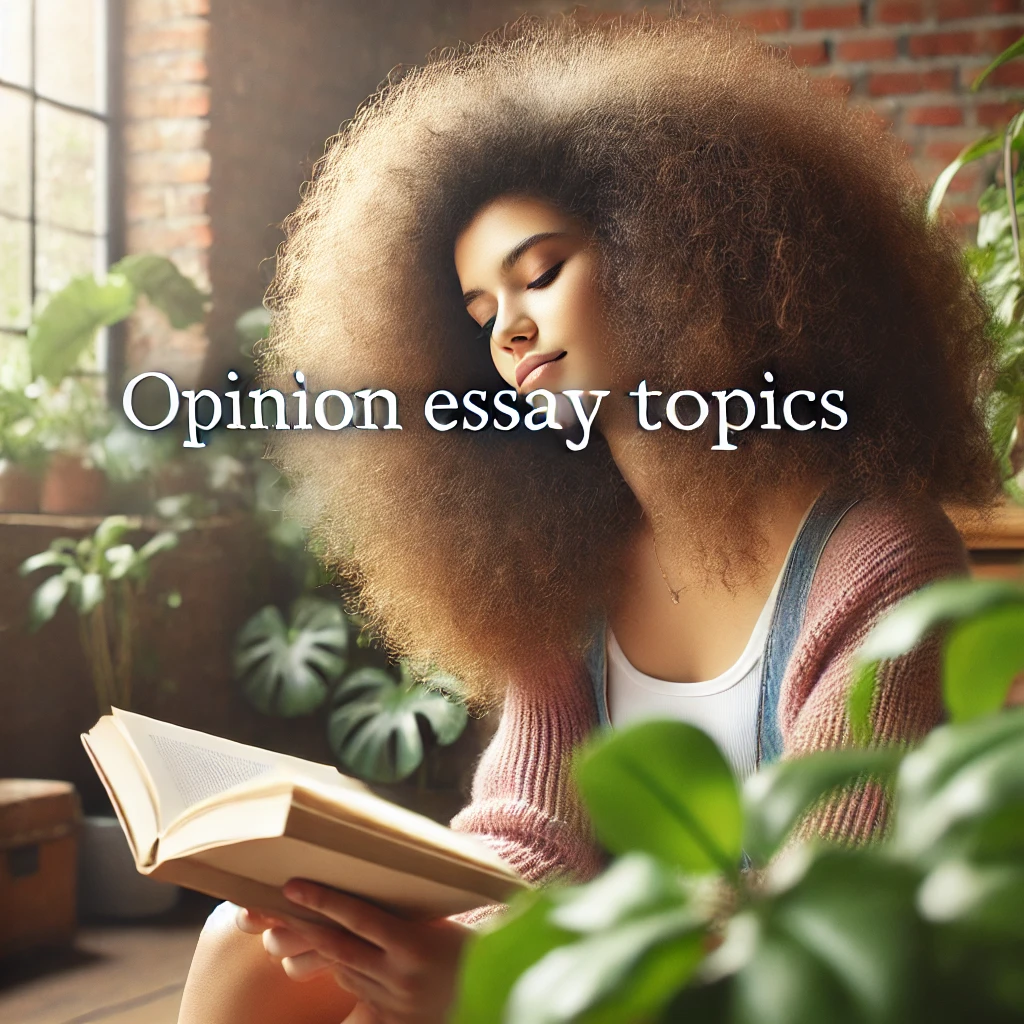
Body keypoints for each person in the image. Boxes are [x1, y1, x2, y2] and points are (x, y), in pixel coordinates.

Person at [178, 12, 1001, 1024]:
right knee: (253, 941)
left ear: (681, 254)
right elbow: (530, 840)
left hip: (762, 990)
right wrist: (403, 929)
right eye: (480, 314)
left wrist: (497, 983)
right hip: (592, 969)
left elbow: (826, 925)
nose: (510, 328)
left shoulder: (879, 557)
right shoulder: (566, 564)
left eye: (541, 273)